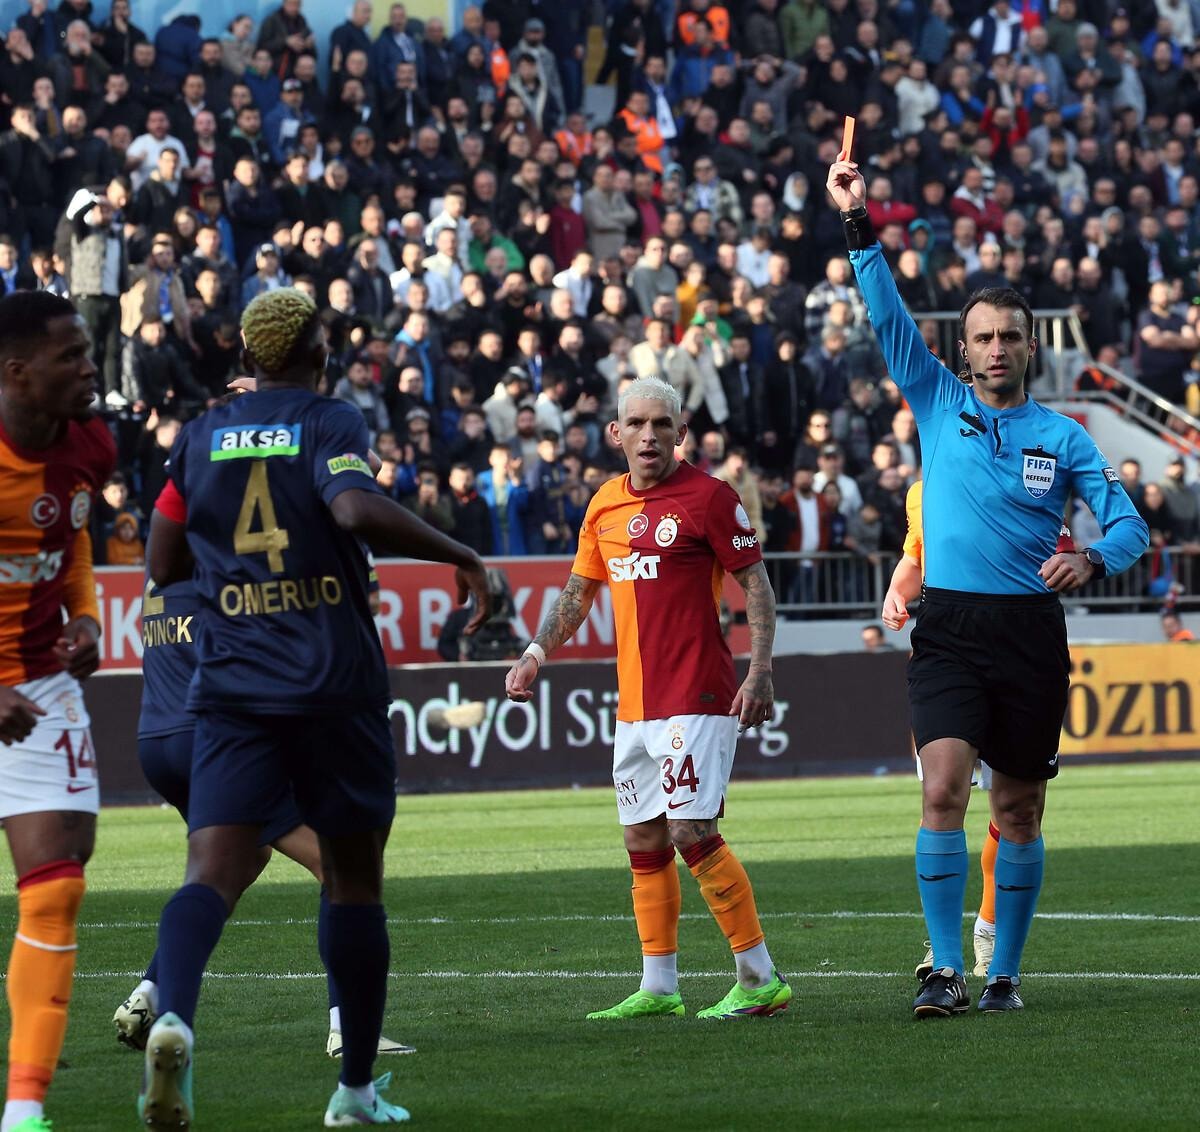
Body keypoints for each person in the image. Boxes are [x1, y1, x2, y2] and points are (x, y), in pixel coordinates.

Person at [138, 289, 489, 1127]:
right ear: (319, 354)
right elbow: (354, 508)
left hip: (231, 686)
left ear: (247, 356)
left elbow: (160, 562)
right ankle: (355, 1091)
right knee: (353, 880)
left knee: (209, 872)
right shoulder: (330, 420)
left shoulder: (201, 434)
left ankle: (174, 1013)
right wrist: (461, 553)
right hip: (331, 681)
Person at [827, 152, 1149, 1017]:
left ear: (1030, 346)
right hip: (951, 630)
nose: (997, 349)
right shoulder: (937, 401)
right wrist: (856, 221)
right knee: (940, 788)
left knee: (1019, 809)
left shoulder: (1066, 436)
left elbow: (1130, 527)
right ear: (962, 350)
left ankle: (1004, 972)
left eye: (1010, 336)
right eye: (983, 338)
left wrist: (1093, 560)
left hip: (1030, 634)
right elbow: (886, 313)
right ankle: (943, 967)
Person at [505, 375, 790, 1021]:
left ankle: (759, 978)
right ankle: (659, 987)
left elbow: (756, 586)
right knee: (642, 836)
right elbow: (578, 593)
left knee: (691, 829)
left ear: (680, 432)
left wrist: (760, 669)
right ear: (615, 433)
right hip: (634, 705)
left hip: (697, 692)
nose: (649, 435)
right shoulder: (604, 504)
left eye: (662, 423)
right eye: (636, 423)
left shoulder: (710, 498)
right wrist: (535, 652)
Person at [114, 559, 414, 1060]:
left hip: (158, 738)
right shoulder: (230, 551)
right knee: (339, 865)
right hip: (212, 737)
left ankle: (150, 995)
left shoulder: (169, 553)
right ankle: (348, 1028)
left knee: (236, 862)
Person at [0, 291, 115, 1132]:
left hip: (41, 686)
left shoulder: (90, 445)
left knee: (57, 884)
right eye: (69, 357)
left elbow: (71, 538)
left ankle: (23, 1109)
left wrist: (87, 616)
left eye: (87, 352)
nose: (89, 368)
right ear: (17, 372)